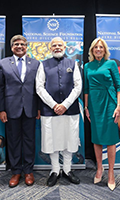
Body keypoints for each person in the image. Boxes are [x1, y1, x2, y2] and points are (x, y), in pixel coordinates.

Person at [36, 37, 82, 187]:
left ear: (64, 47)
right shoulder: (43, 65)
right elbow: (39, 87)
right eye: (54, 45)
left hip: (70, 110)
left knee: (69, 139)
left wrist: (65, 104)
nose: (57, 47)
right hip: (49, 110)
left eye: (59, 45)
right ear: (50, 48)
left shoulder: (72, 63)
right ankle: (55, 170)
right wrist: (54, 105)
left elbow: (78, 86)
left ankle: (68, 170)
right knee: (52, 140)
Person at [0, 35, 40, 187]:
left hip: (30, 109)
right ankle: (15, 171)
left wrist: (39, 108)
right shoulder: (3, 63)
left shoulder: (35, 63)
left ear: (26, 46)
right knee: (14, 141)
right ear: (11, 47)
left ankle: (28, 171)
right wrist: (1, 109)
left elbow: (39, 87)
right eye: (16, 44)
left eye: (22, 44)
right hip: (10, 109)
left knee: (29, 141)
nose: (19, 46)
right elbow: (0, 88)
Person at [84, 38, 120, 191]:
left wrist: (118, 106)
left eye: (101, 47)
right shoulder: (87, 66)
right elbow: (86, 88)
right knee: (97, 137)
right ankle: (99, 168)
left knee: (111, 138)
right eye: (96, 47)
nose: (98, 49)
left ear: (105, 50)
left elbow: (119, 86)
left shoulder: (111, 64)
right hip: (94, 104)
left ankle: (111, 172)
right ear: (92, 50)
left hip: (109, 102)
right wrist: (86, 107)